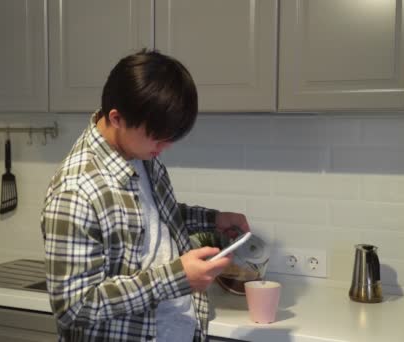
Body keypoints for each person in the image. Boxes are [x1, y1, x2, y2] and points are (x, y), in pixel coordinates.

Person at [41, 49, 250, 341]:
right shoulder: (76, 190)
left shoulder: (138, 152)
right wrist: (177, 278)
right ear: (116, 118)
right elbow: (74, 307)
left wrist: (212, 220)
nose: (165, 147)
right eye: (158, 136)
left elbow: (152, 217)